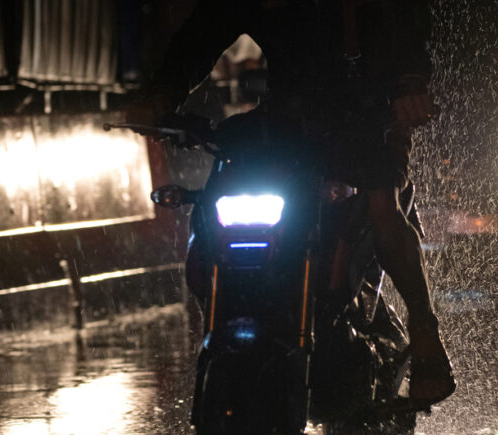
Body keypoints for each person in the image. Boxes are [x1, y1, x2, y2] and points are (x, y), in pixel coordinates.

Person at [127, 0, 454, 407]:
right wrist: (163, 94)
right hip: (288, 119)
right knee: (223, 187)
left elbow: (403, 21)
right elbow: (204, 31)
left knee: (380, 206)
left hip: (370, 112)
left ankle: (425, 332)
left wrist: (409, 86)